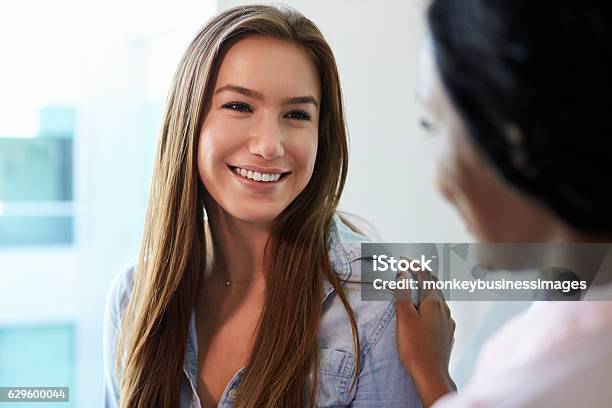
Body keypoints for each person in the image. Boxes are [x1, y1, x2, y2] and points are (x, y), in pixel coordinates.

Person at [103, 5, 421, 408]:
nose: (270, 145)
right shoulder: (134, 296)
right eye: (240, 106)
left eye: (296, 114)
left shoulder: (377, 303)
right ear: (190, 119)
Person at [396, 1, 612, 407]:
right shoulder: (561, 307)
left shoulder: (546, 383)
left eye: (434, 124)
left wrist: (429, 374)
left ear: (514, 135)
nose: (436, 181)